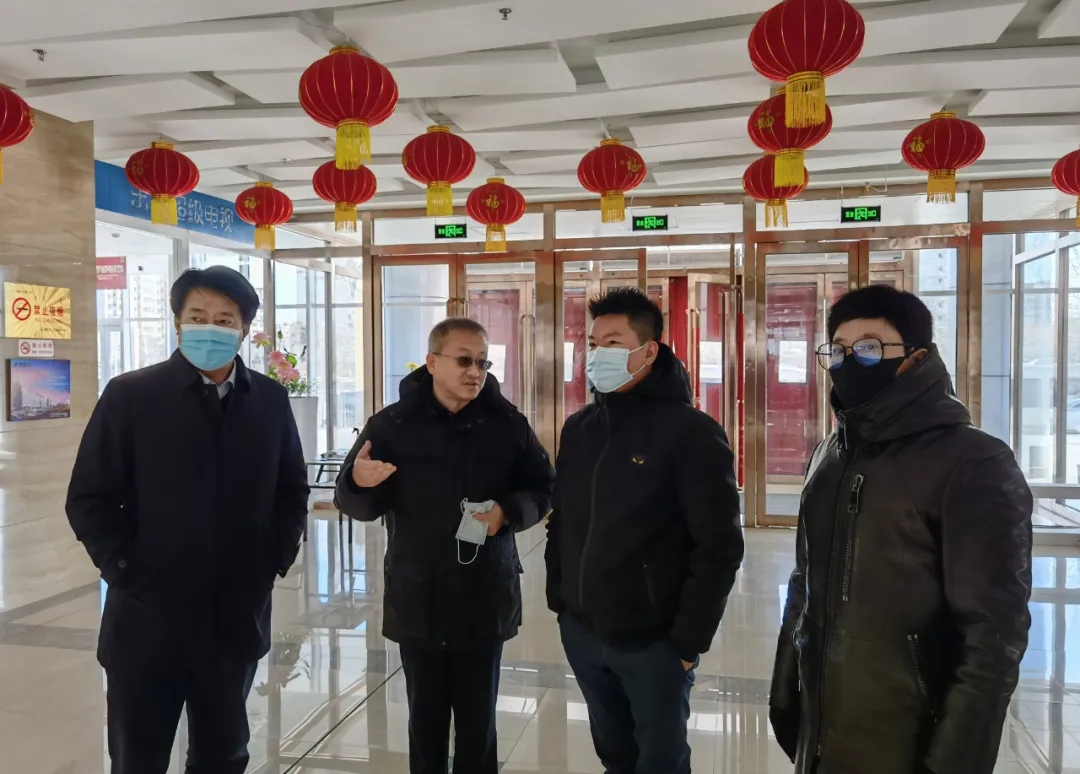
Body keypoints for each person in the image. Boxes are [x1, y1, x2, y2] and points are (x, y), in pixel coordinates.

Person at [769, 284, 1033, 774]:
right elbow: (804, 585)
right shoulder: (829, 455)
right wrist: (785, 695)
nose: (851, 361)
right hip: (822, 734)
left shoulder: (974, 461)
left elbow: (993, 637)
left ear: (917, 356)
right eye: (839, 350)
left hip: (909, 741)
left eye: (870, 348)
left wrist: (954, 761)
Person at [66, 266, 310, 774]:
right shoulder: (132, 396)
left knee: (224, 756)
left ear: (243, 330)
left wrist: (273, 558)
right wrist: (127, 571)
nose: (209, 329)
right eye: (197, 317)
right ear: (177, 323)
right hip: (147, 620)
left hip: (234, 618)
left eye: (224, 320)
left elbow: (290, 490)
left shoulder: (268, 400)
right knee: (139, 758)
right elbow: (89, 497)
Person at [335, 317, 554, 774]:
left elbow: (544, 488)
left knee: (478, 724)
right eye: (463, 360)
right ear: (432, 362)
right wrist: (358, 481)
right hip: (419, 595)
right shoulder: (392, 424)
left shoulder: (507, 424)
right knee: (426, 721)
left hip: (484, 593)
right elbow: (352, 500)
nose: (475, 372)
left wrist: (507, 513)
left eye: (482, 362)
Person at [546, 286, 744, 774]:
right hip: (584, 632)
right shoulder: (580, 428)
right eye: (594, 344)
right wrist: (561, 601)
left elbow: (719, 547)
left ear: (649, 351)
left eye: (613, 343)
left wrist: (687, 643)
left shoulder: (692, 432)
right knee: (614, 754)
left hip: (654, 642)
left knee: (660, 761)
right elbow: (563, 518)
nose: (598, 355)